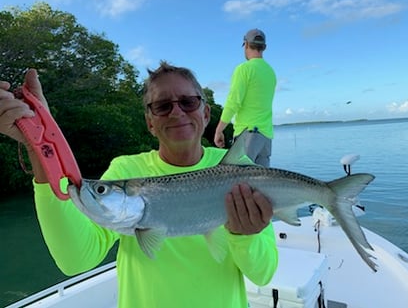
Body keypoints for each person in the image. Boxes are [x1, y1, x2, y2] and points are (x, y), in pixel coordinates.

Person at [0, 63, 278, 308]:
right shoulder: (126, 169)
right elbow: (76, 260)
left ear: (206, 113)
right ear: (149, 122)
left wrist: (245, 236)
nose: (176, 112)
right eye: (162, 106)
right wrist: (37, 145)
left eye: (188, 102)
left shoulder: (241, 170)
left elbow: (264, 274)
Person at [214, 28, 277, 167]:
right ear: (264, 47)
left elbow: (233, 102)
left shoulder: (243, 69)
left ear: (246, 44)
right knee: (262, 185)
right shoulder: (271, 72)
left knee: (240, 182)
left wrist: (219, 130)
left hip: (248, 135)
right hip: (266, 137)